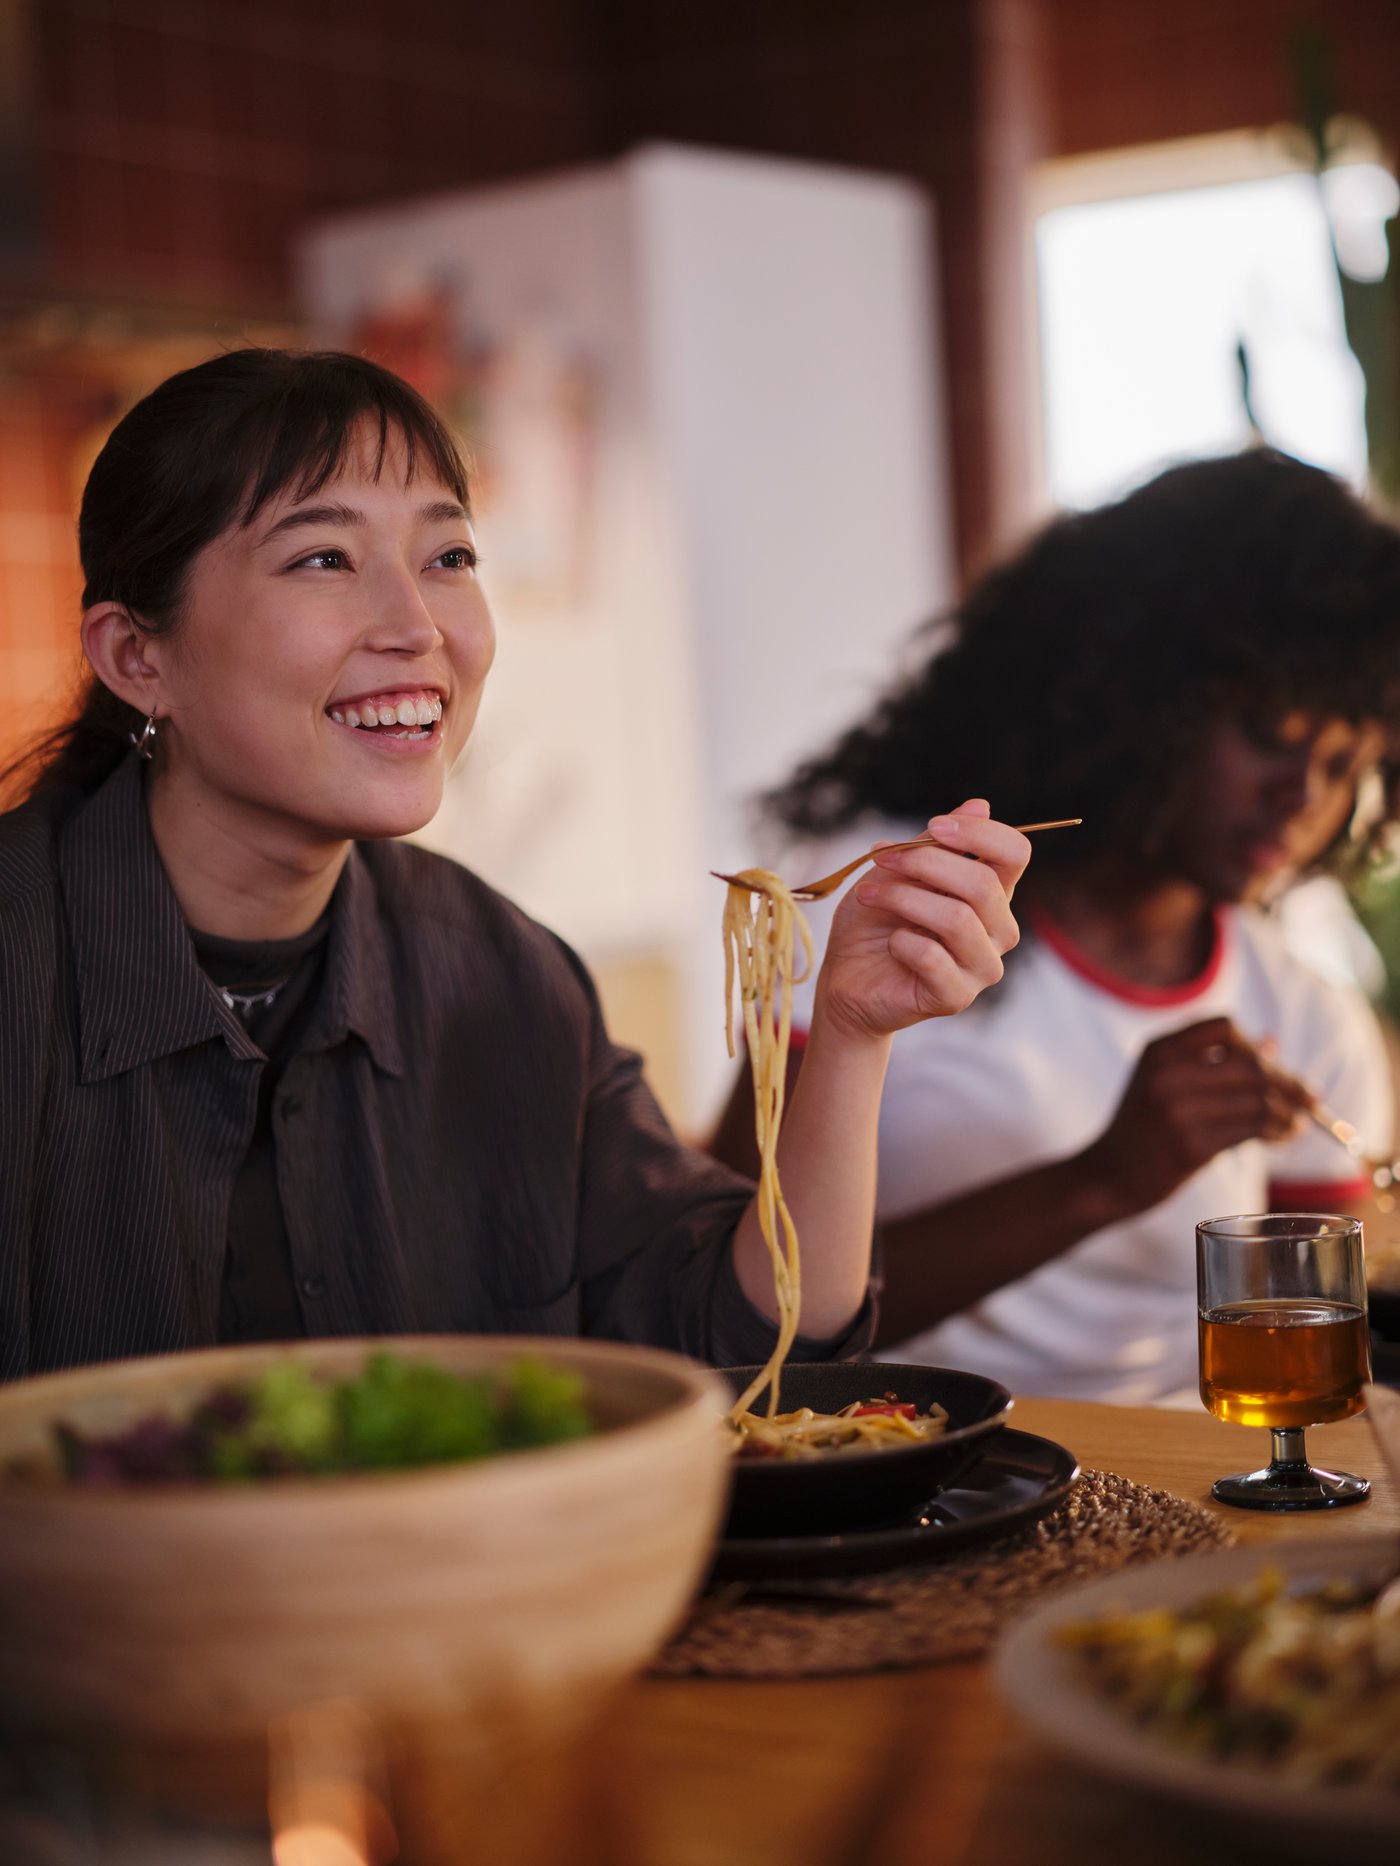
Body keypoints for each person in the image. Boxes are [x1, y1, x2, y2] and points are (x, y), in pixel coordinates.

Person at [0, 348, 1028, 1382]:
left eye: (447, 557)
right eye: (323, 559)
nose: (417, 627)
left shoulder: (500, 973)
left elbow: (742, 1338)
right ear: (137, 657)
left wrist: (850, 1038)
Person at [711, 450, 1400, 1405]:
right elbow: (722, 1311)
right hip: (908, 1455)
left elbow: (1309, 1381)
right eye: (1272, 737)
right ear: (1144, 693)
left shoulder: (1308, 1018)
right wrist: (1101, 1181)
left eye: (1345, 766)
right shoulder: (901, 905)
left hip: (1181, 1477)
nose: (1303, 798)